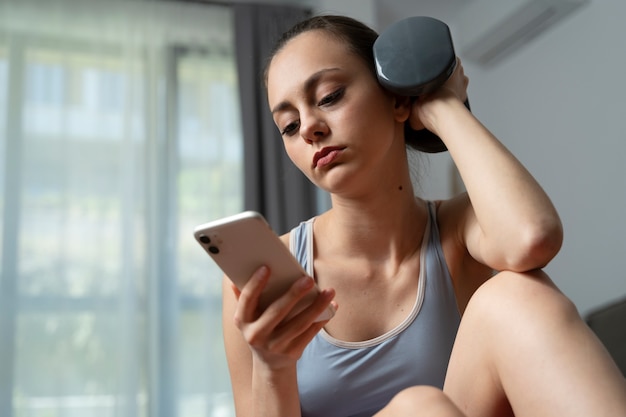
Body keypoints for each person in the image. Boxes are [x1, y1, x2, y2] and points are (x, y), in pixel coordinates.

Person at [221, 14, 626, 417]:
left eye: (329, 97)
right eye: (289, 125)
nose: (309, 126)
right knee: (421, 407)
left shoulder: (457, 230)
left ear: (397, 98)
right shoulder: (265, 275)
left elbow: (532, 237)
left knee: (517, 294)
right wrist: (271, 366)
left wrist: (441, 106)